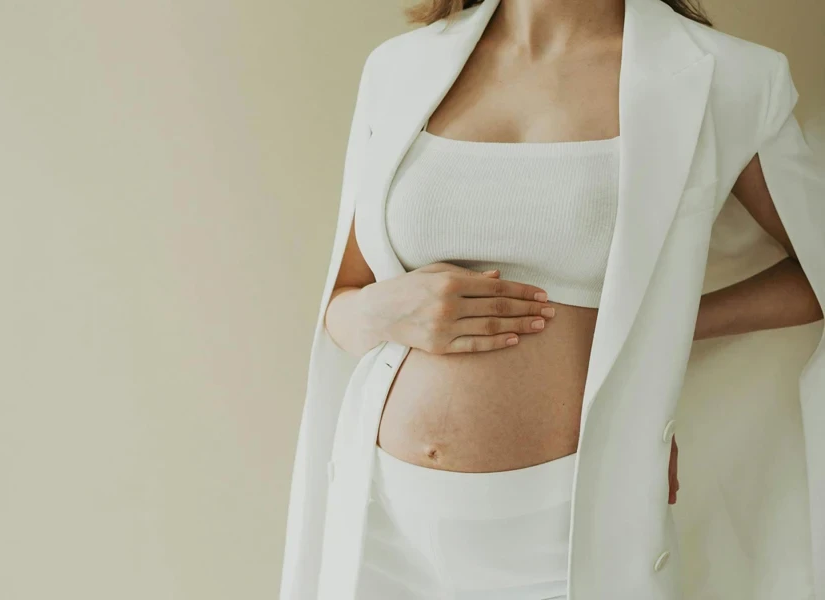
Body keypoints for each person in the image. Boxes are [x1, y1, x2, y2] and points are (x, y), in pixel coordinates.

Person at [280, 0, 825, 598]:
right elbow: (344, 300)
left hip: (570, 531)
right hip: (382, 520)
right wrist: (382, 311)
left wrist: (652, 330)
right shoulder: (401, 66)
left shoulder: (728, 77)